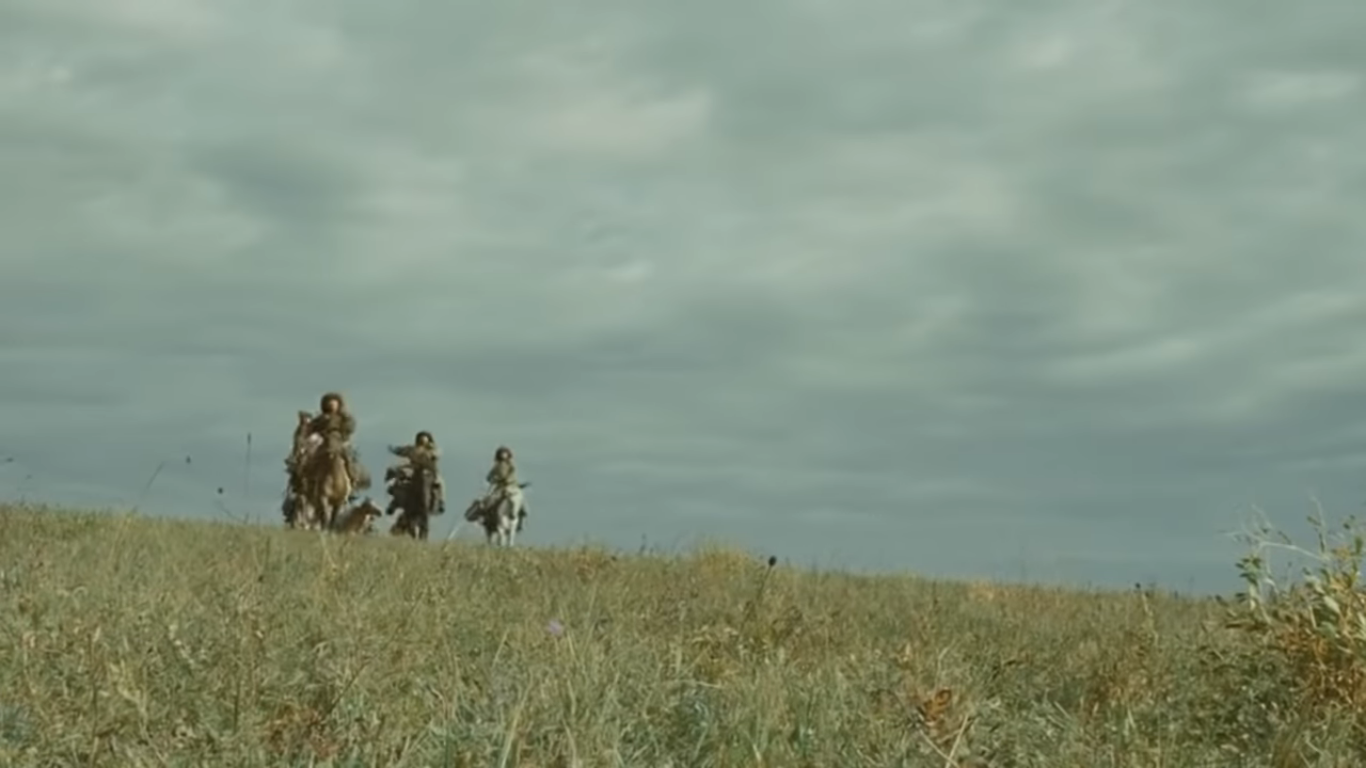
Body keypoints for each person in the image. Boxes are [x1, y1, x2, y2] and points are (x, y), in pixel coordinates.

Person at [289, 392, 370, 500]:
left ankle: (352, 480)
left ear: (338, 404)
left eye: (334, 403)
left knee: (348, 459)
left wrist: (343, 432)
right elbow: (310, 429)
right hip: (323, 442)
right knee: (310, 460)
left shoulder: (342, 418)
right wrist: (305, 426)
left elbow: (350, 427)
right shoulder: (321, 418)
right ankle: (305, 482)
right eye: (329, 403)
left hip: (338, 442)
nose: (331, 405)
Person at [385, 431, 445, 514]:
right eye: (420, 439)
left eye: (424, 439)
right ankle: (394, 500)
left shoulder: (433, 450)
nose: (422, 441)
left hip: (429, 471)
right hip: (413, 468)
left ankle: (441, 502)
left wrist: (432, 454)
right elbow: (401, 451)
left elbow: (437, 454)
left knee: (440, 482)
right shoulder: (412, 449)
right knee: (399, 474)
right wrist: (394, 449)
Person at [482, 445, 527, 530]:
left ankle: (521, 517)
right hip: (501, 488)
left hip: (512, 486)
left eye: (505, 453)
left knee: (521, 501)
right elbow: (489, 478)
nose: (504, 455)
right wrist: (495, 480)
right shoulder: (496, 466)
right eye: (502, 453)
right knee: (489, 502)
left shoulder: (511, 466)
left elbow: (512, 477)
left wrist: (515, 483)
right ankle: (487, 519)